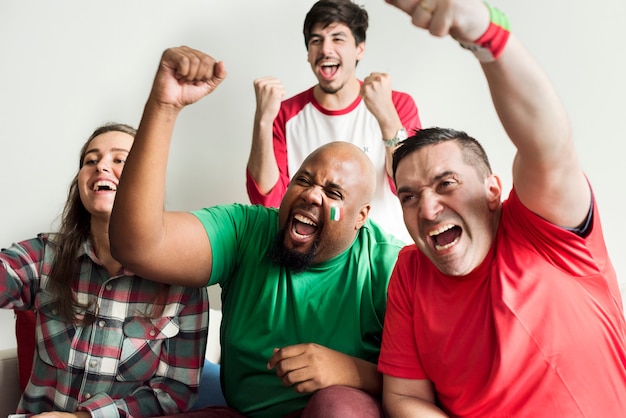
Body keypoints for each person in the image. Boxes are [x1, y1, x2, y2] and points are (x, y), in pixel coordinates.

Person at [108, 46, 405, 418]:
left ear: (361, 217)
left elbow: (433, 381)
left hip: (337, 411)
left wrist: (352, 372)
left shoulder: (389, 264)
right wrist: (164, 107)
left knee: (338, 406)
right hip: (245, 414)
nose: (311, 194)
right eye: (303, 180)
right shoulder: (246, 230)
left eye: (333, 193)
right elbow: (136, 246)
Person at [378, 0, 626, 416]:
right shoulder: (409, 273)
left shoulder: (541, 227)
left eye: (446, 184)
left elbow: (547, 144)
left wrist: (487, 36)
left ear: (492, 190)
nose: (427, 208)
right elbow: (405, 398)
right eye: (409, 196)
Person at [0, 124, 209, 417]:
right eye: (91, 160)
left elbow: (175, 393)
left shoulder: (184, 283)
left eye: (120, 159)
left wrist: (84, 417)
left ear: (147, 179)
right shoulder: (44, 255)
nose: (101, 167)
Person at [246, 0, 421, 242]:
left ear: (359, 48)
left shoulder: (397, 105)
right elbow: (266, 201)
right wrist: (263, 121)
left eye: (338, 39)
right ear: (308, 53)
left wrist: (387, 116)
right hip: (313, 259)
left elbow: (410, 186)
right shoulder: (286, 113)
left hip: (385, 259)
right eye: (316, 40)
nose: (325, 49)